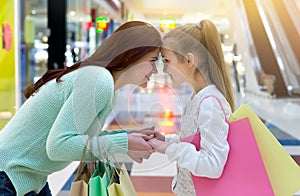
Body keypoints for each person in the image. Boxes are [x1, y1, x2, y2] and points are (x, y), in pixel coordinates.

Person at [0, 21, 162, 195]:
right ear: (131, 55)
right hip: (9, 175)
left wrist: (128, 138)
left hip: (24, 177)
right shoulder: (99, 80)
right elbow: (58, 147)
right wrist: (124, 144)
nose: (155, 70)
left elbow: (83, 137)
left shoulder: (105, 84)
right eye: (152, 61)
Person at [148, 20, 235, 195]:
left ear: (188, 60)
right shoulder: (199, 98)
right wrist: (165, 141)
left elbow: (213, 165)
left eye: (166, 60)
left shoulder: (209, 103)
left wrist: (169, 149)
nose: (163, 69)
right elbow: (195, 142)